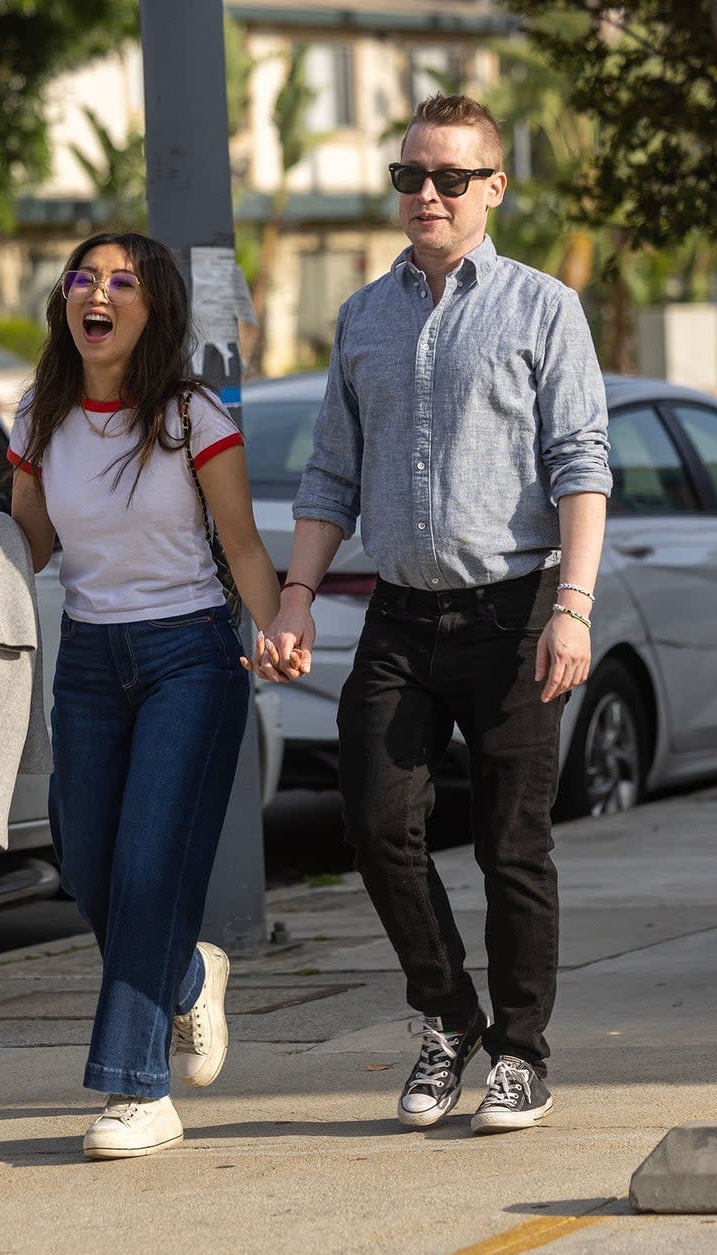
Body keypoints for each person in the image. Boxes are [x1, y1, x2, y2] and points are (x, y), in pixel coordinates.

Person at [258, 94, 612, 1134]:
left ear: (493, 187)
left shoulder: (544, 307)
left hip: (515, 609)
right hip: (401, 617)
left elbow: (580, 462)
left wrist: (574, 608)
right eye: (410, 176)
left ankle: (520, 1052)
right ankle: (446, 1015)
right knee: (373, 822)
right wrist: (292, 599)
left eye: (450, 177)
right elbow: (329, 473)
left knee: (513, 845)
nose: (426, 194)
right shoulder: (363, 315)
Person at [0, 231, 289, 1160]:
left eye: (123, 282)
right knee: (88, 868)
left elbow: (241, 545)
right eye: (85, 277)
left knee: (150, 869)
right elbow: (30, 543)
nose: (99, 293)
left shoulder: (190, 416)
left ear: (152, 308)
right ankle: (187, 974)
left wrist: (281, 626)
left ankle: (139, 1090)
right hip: (90, 663)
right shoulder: (42, 412)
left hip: (190, 660)